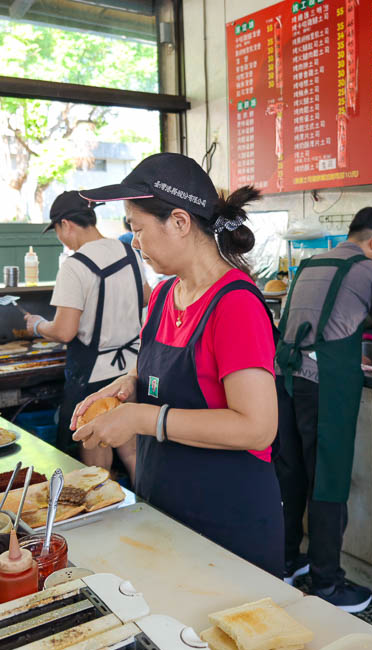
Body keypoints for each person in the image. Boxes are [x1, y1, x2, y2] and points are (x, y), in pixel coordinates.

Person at [71, 153, 283, 576]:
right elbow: (151, 371)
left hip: (227, 523)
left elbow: (257, 427)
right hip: (165, 508)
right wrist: (123, 387)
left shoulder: (235, 305)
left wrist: (143, 418)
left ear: (181, 222)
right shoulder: (164, 296)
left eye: (138, 229)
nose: (134, 241)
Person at [274, 206, 372, 612]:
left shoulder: (309, 264)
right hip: (324, 384)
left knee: (290, 474)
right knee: (327, 482)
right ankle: (327, 584)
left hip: (284, 378)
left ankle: (288, 560)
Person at [24, 190, 149, 467]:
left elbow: (65, 331)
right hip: (131, 369)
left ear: (65, 224)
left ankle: (102, 509)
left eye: (57, 230)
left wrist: (38, 326)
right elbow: (146, 297)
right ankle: (147, 509)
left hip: (94, 376)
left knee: (96, 452)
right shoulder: (130, 252)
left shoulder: (75, 266)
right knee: (131, 449)